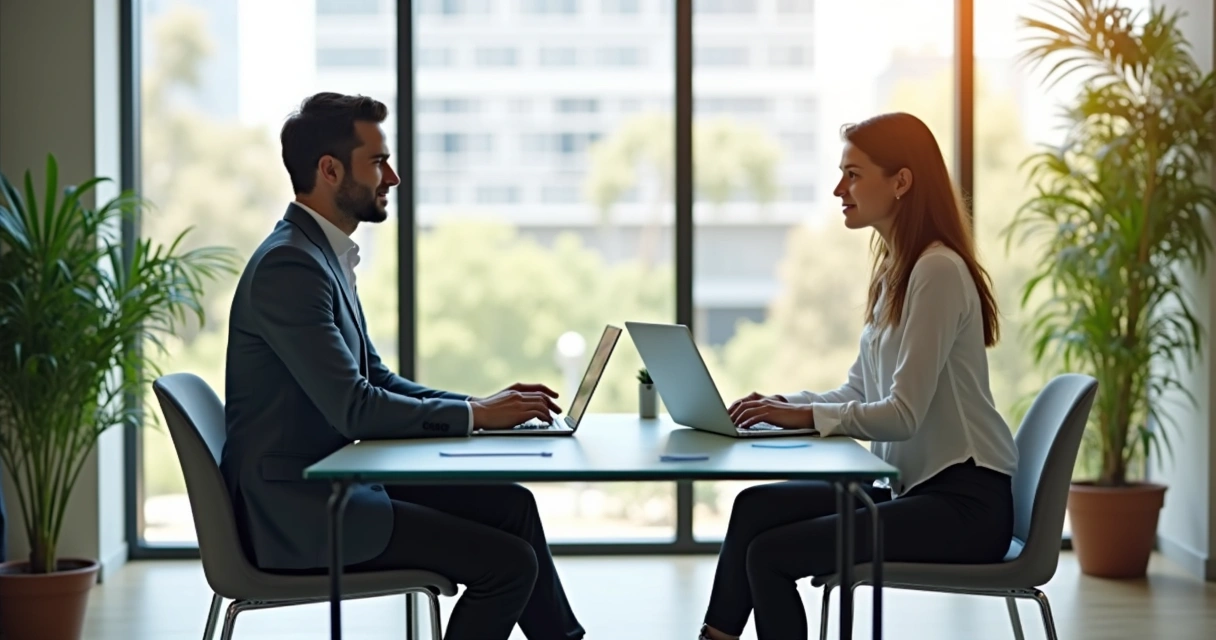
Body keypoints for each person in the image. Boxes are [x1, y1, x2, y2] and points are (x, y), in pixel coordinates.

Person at [220, 92, 584, 640]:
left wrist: (475, 407)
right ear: (329, 170)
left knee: (513, 506)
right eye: (377, 162)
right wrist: (477, 419)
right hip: (299, 511)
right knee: (510, 565)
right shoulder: (291, 267)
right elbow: (355, 409)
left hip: (333, 487)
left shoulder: (320, 256)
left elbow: (377, 380)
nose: (391, 177)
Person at [697, 112, 1019, 640]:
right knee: (754, 508)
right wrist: (783, 408)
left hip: (963, 506)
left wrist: (805, 414)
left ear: (901, 181)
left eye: (853, 174)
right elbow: (860, 393)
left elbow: (903, 415)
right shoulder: (896, 272)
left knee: (772, 555)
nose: (837, 189)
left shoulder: (936, 271)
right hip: (910, 490)